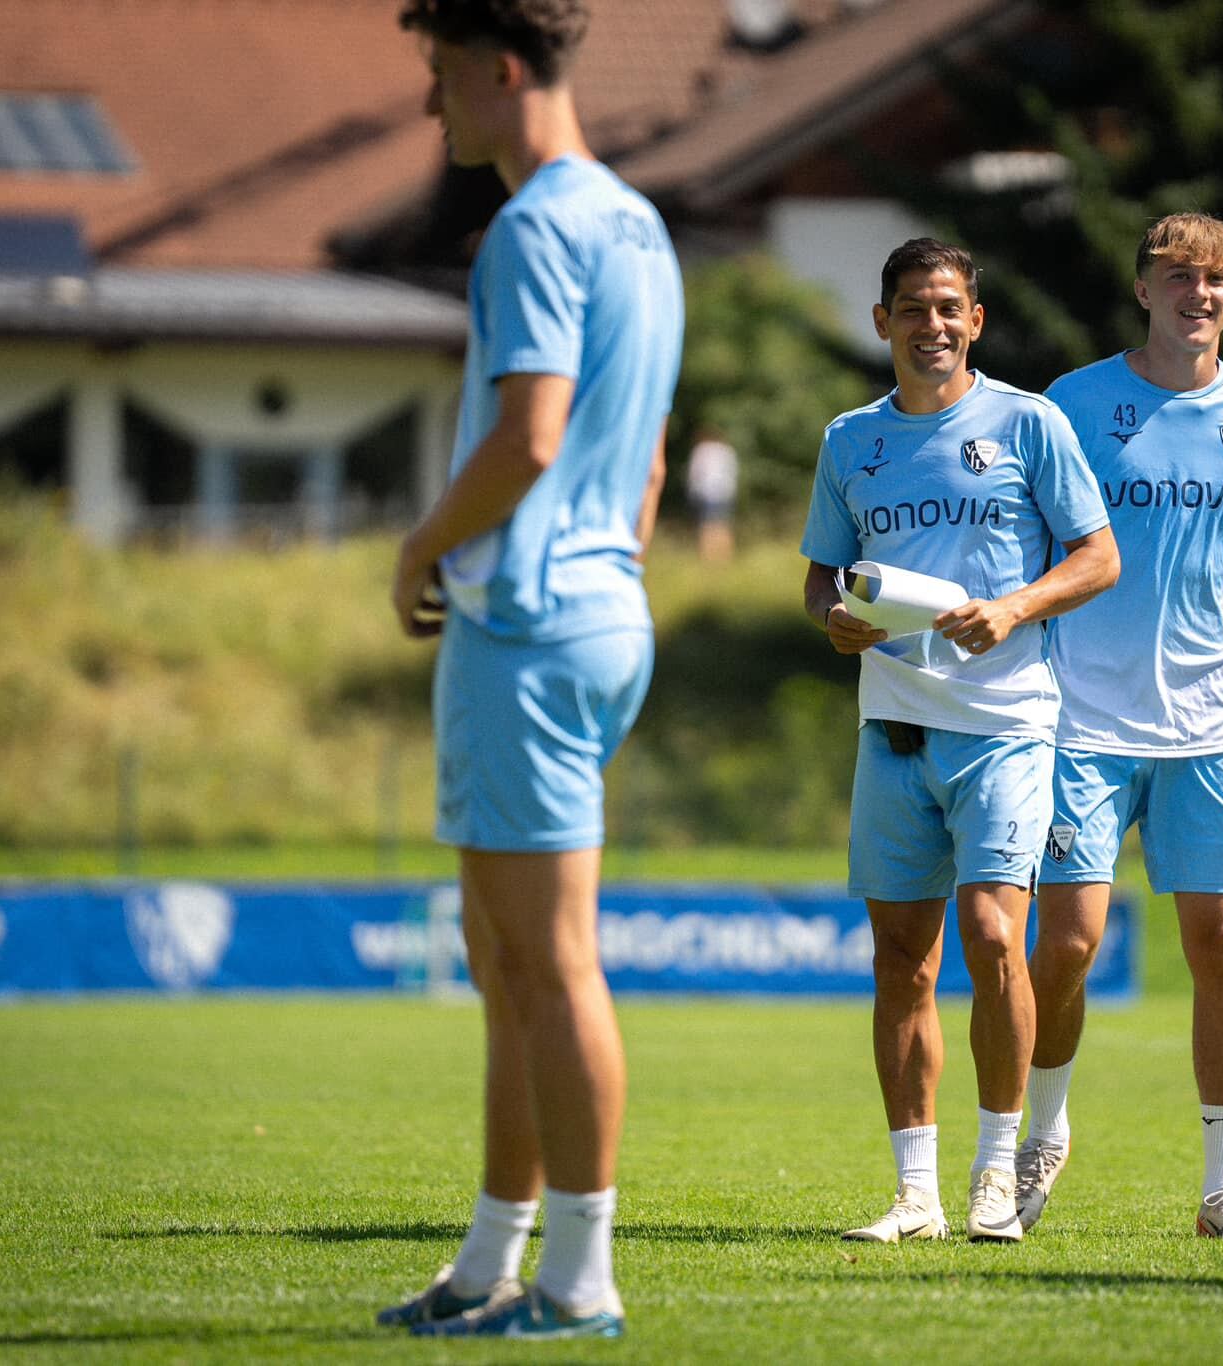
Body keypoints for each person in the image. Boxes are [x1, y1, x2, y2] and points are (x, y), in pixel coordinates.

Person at [378, 0, 683, 1341]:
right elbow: (651, 456)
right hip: (595, 612)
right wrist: (604, 578)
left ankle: (579, 1280)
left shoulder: (536, 226)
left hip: (529, 626)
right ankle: (491, 1260)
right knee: (507, 960)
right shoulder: (642, 225)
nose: (434, 109)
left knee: (548, 962)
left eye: (443, 80)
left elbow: (530, 437)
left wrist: (419, 546)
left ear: (502, 71)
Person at [1014, 213, 1223, 1243]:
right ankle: (1041, 1140)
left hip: (1205, 723)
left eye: (1216, 280)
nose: (1198, 293)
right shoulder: (1073, 403)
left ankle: (1222, 1187)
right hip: (1078, 719)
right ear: (1141, 290)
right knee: (1066, 944)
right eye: (1177, 276)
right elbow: (1034, 547)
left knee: (1222, 942)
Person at [800, 237, 1118, 1244]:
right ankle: (914, 1194)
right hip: (892, 728)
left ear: (974, 320)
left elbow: (1099, 555)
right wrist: (833, 618)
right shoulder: (849, 439)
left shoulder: (1030, 423)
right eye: (910, 308)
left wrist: (1015, 608)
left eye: (947, 308)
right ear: (881, 322)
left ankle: (995, 1169)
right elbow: (822, 575)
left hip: (1006, 726)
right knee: (901, 960)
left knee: (991, 936)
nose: (929, 325)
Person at [686, 425, 740, 562]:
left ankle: (708, 559)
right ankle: (725, 558)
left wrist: (692, 493)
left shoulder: (701, 450)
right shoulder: (727, 450)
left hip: (707, 493)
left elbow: (695, 474)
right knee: (723, 525)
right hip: (725, 493)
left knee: (707, 527)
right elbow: (733, 473)